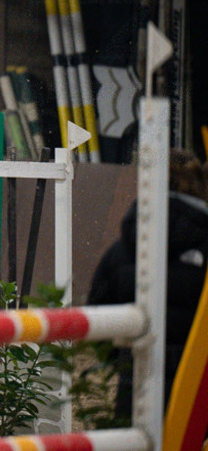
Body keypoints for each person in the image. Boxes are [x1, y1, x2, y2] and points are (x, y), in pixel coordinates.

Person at [88, 148, 208, 419]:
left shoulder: (120, 250)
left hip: (135, 386)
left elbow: (98, 316)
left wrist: (122, 362)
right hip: (198, 396)